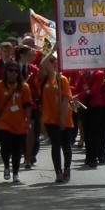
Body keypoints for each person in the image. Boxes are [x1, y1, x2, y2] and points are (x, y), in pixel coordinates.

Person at [0, 60, 32, 183]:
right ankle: (7, 165)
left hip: (19, 123)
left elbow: (27, 105)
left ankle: (16, 173)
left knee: (17, 149)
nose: (13, 73)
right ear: (6, 72)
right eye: (10, 70)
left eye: (16, 71)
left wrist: (28, 121)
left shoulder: (24, 87)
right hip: (4, 122)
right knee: (5, 146)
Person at [38, 54, 74, 183]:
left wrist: (62, 117)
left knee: (66, 144)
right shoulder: (43, 80)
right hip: (50, 118)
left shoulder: (62, 79)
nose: (46, 66)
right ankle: (58, 172)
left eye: (50, 63)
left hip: (64, 116)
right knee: (56, 143)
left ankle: (67, 168)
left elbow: (66, 99)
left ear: (54, 65)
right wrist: (52, 50)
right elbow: (41, 66)